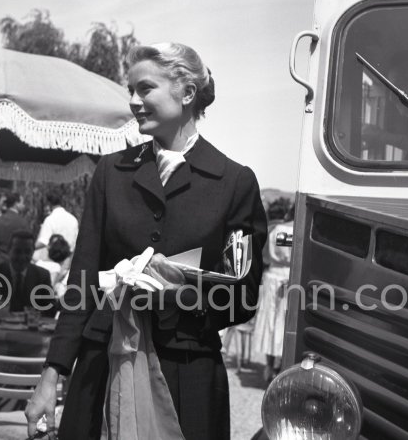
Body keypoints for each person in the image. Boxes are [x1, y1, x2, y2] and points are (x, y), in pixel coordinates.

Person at [26, 42, 267, 440]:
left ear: (187, 93)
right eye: (131, 91)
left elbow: (245, 296)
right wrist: (51, 376)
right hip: (102, 366)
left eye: (145, 89)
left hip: (186, 371)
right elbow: (82, 281)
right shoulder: (111, 173)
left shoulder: (234, 182)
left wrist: (174, 295)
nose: (134, 101)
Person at [253, 205, 294, 383]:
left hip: (273, 276)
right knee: (282, 323)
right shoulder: (292, 231)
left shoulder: (277, 230)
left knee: (271, 322)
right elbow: (291, 256)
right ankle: (278, 367)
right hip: (287, 277)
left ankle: (271, 365)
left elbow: (266, 256)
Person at [0, 230, 52, 313]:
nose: (22, 257)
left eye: (27, 252)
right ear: (9, 250)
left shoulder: (42, 276)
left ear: (33, 252)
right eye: (17, 251)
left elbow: (49, 311)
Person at [34, 189, 79, 261]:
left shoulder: (50, 220)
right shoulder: (73, 219)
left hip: (51, 261)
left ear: (48, 204)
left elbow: (44, 241)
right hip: (68, 260)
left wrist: (30, 248)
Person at [0, 191, 31, 266]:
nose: (23, 205)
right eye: (22, 203)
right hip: (16, 263)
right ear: (16, 204)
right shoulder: (23, 223)